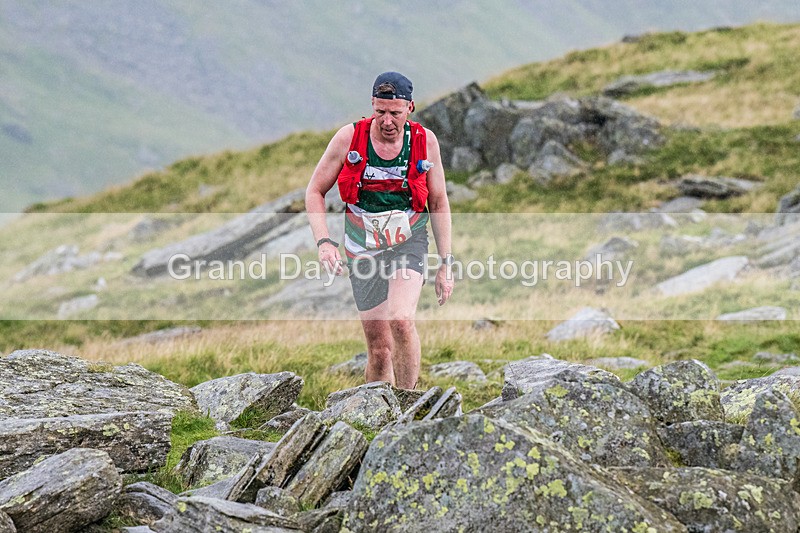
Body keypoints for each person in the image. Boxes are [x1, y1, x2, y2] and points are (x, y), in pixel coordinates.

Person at [305, 71, 454, 389]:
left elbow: (439, 202)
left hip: (408, 242)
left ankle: (406, 408)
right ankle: (375, 416)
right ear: (372, 105)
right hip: (362, 249)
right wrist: (324, 242)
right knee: (380, 351)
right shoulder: (349, 138)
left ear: (410, 108)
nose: (387, 121)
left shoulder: (425, 142)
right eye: (380, 112)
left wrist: (446, 263)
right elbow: (315, 191)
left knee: (401, 319)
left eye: (395, 113)